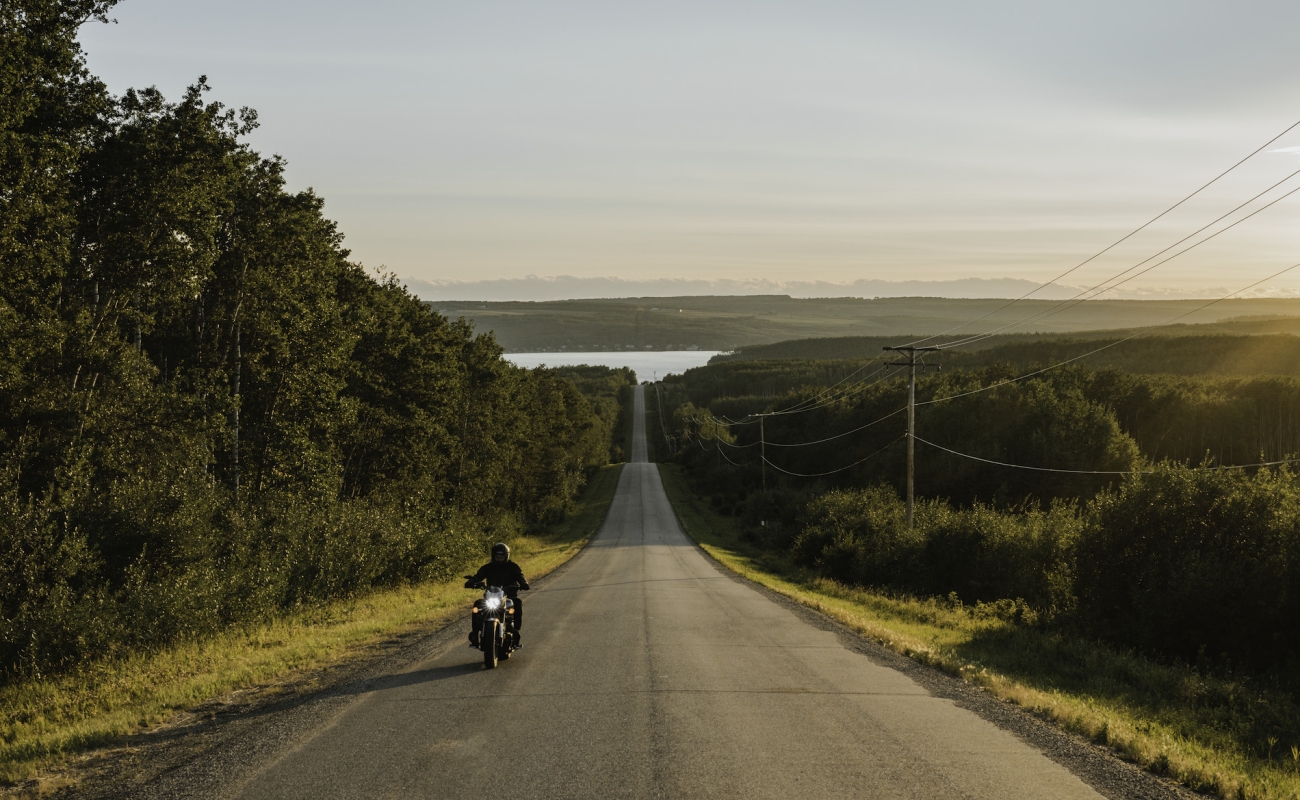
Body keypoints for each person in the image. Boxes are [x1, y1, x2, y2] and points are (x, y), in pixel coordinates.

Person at [465, 542, 530, 647]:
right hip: (491, 597)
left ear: (506, 556)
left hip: (509, 597)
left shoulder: (513, 567)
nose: (499, 559)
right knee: (477, 605)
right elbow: (478, 576)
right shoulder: (488, 567)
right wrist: (472, 581)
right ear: (493, 556)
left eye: (501, 557)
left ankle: (515, 631)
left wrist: (524, 583)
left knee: (517, 603)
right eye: (497, 557)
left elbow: (520, 575)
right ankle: (474, 633)